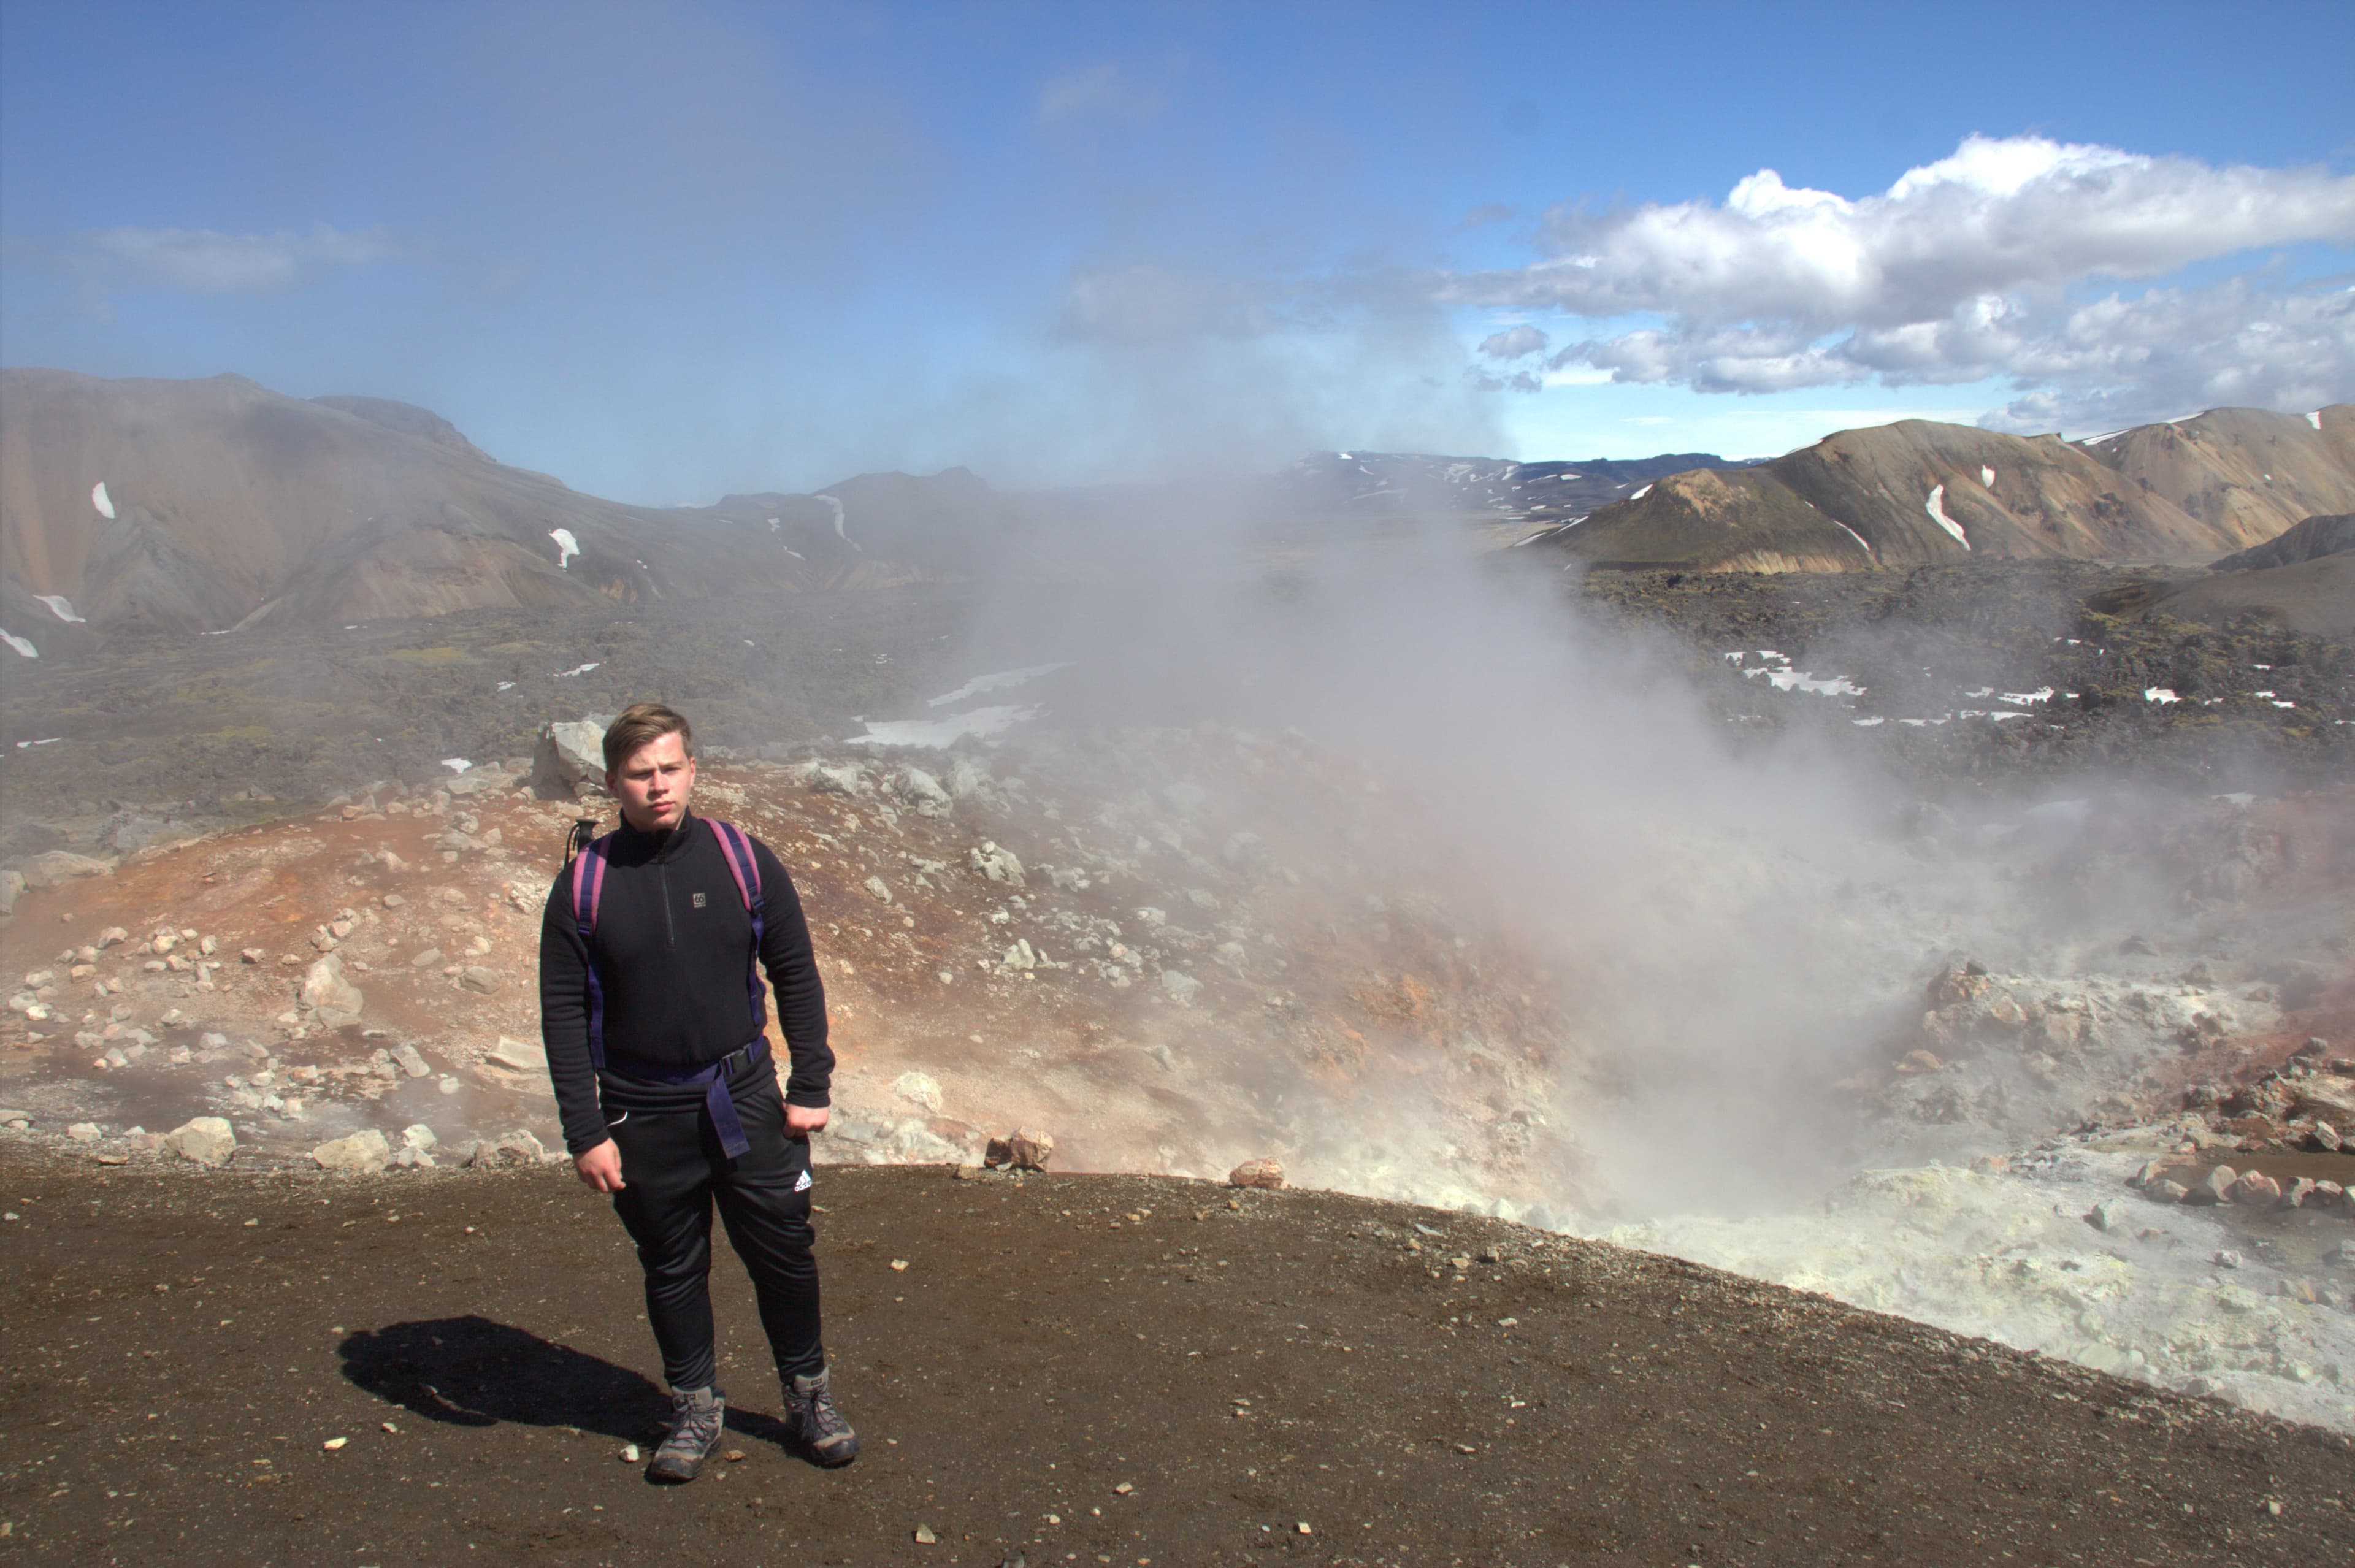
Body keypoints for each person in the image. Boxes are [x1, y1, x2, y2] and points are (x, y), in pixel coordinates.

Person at [538, 701, 857, 1482]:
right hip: (641, 1109)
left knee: (784, 1252)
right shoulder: (584, 884)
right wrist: (586, 1130)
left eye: (671, 769)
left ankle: (807, 1395)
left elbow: (796, 974)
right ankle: (694, 1407)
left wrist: (809, 1081)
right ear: (613, 780)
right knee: (672, 1264)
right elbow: (562, 1012)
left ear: (692, 770)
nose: (658, 786)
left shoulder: (744, 859)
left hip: (743, 1092)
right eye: (641, 774)